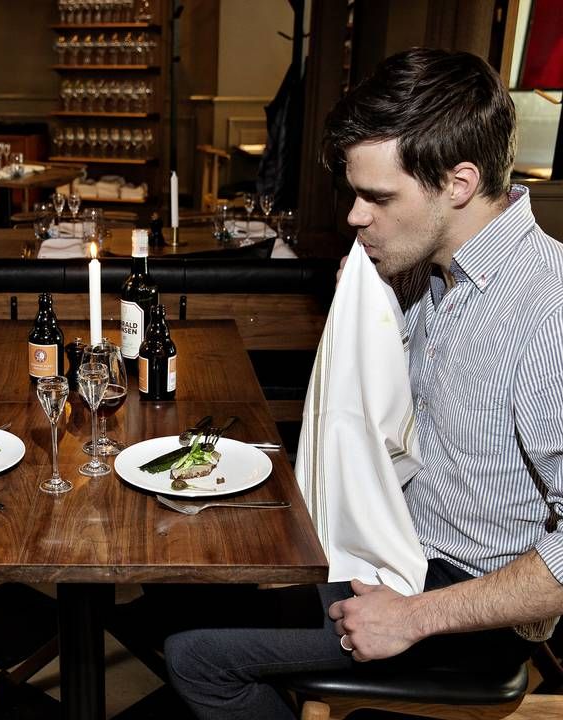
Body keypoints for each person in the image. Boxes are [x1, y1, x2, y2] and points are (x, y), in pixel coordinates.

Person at [164, 47, 563, 718]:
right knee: (177, 583)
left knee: (194, 654)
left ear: (458, 183)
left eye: (377, 197)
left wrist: (412, 617)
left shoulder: (548, 308)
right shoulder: (420, 269)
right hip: (391, 550)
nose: (354, 216)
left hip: (465, 604)